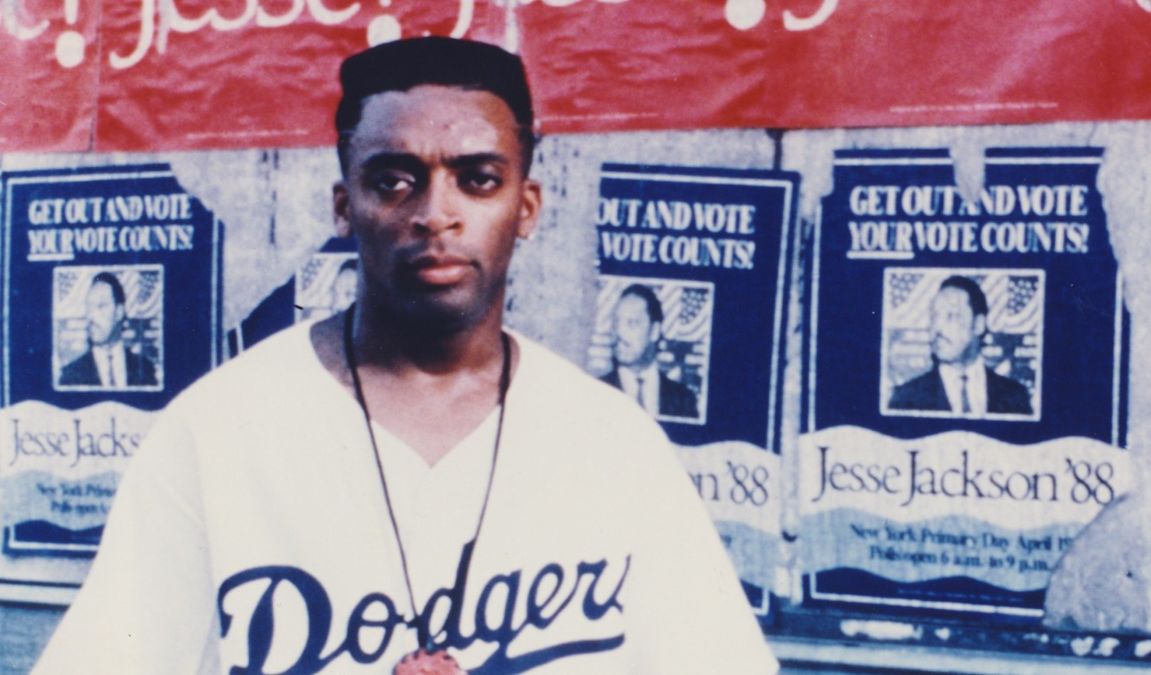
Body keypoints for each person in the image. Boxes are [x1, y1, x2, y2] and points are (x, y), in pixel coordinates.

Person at [34, 37, 776, 674]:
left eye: (477, 179)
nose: (435, 213)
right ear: (343, 205)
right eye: (394, 180)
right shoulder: (217, 428)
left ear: (526, 207)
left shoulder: (612, 442)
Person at [889, 275, 1032, 415]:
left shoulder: (1015, 397)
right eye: (934, 317)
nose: (938, 327)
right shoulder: (906, 399)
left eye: (951, 316)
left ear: (978, 325)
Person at [599, 283, 699, 419]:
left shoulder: (683, 399)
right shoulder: (597, 393)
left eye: (632, 323)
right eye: (616, 323)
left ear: (654, 331)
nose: (619, 333)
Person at [58, 271, 157, 388]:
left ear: (119, 312)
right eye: (89, 307)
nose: (91, 316)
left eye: (100, 306)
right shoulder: (70, 376)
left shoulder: (145, 369)